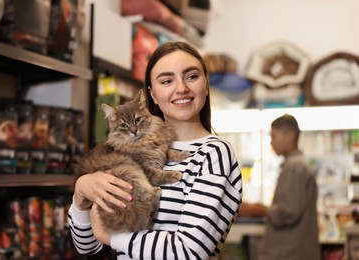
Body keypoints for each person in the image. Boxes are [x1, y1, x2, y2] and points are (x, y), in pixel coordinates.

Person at [68, 41, 243, 259]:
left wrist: (112, 238)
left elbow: (190, 252)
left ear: (206, 85)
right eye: (167, 80)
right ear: (152, 95)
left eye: (191, 76)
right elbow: (87, 246)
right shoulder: (123, 150)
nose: (181, 88)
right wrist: (80, 193)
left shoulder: (215, 154)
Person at [239, 114, 320, 260]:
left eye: (274, 136)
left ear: (290, 135)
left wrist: (253, 210)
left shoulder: (295, 167)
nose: (271, 142)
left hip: (290, 252)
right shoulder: (295, 165)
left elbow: (288, 212)